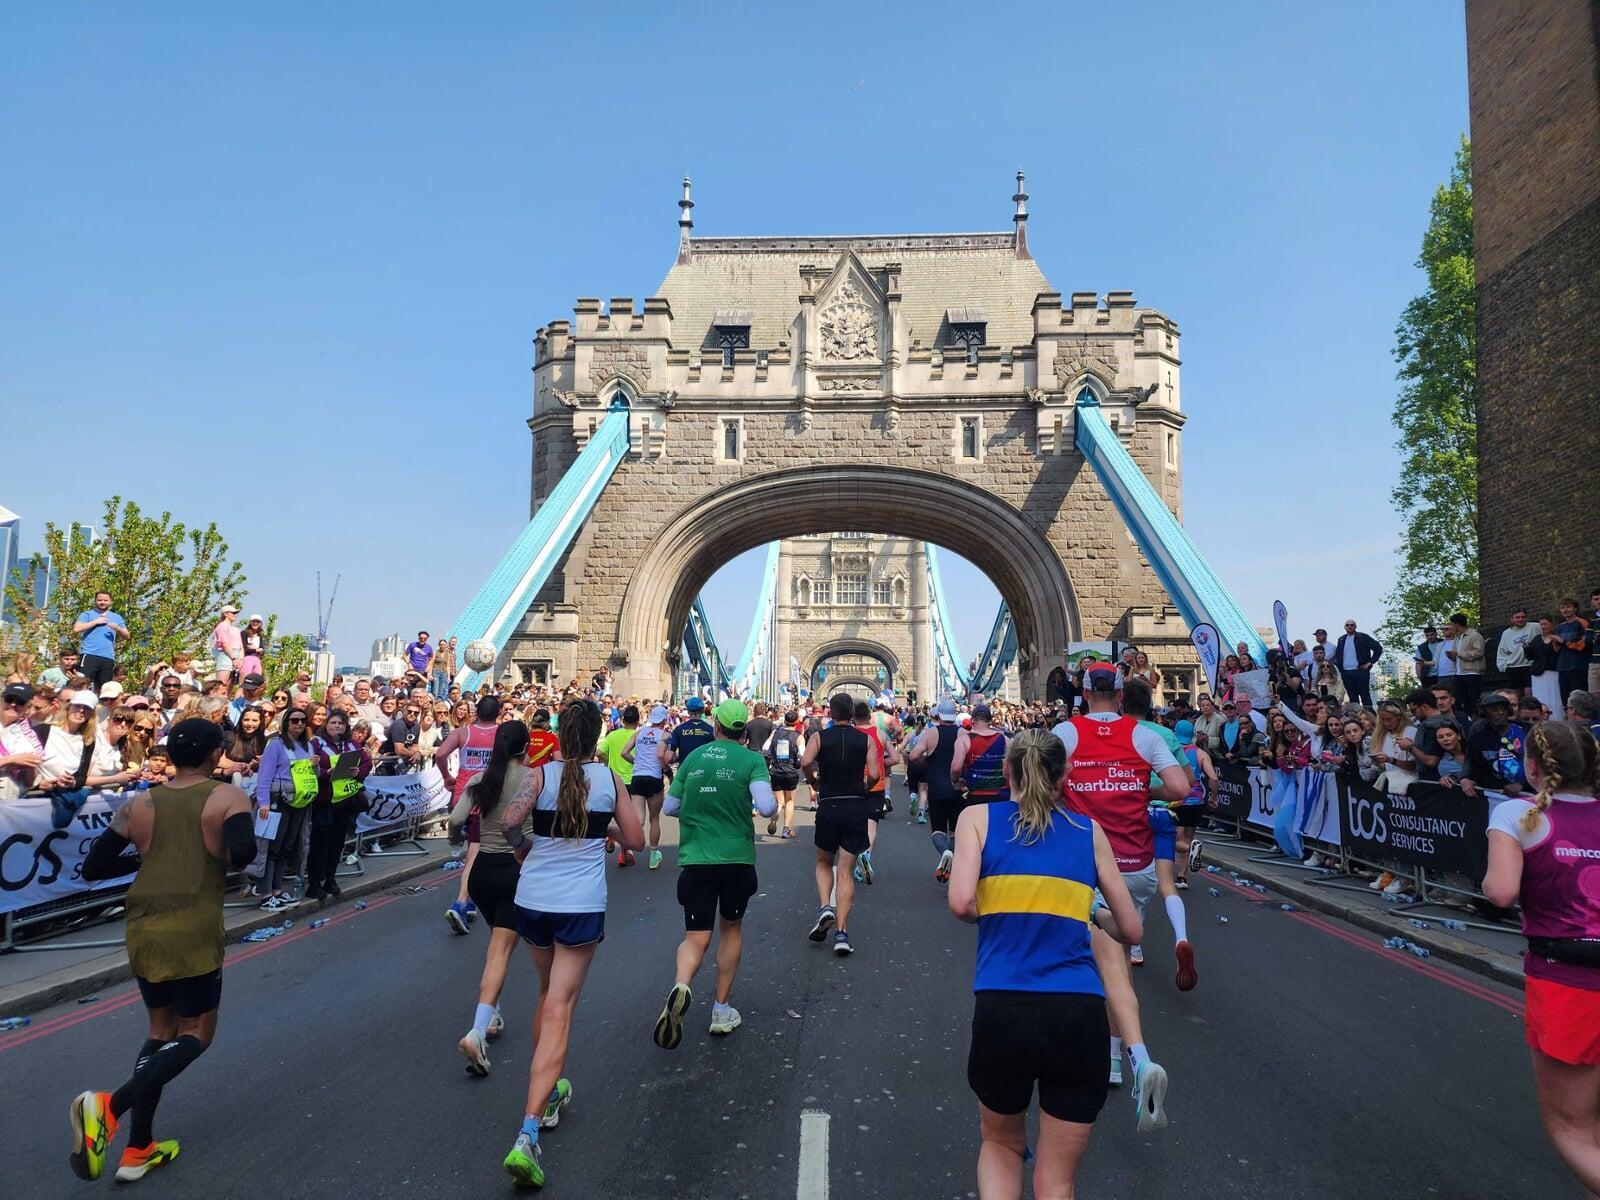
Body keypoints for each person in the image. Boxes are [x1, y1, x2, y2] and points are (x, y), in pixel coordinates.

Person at [948, 728, 1144, 1200]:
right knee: (1056, 1181)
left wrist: (995, 908)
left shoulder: (977, 818)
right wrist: (1090, 911)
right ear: (1065, 776)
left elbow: (960, 903)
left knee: (1000, 1143)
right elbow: (1131, 931)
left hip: (1003, 1006)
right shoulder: (1088, 831)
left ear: (1009, 771)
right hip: (1077, 1014)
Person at [69, 719, 254, 1183]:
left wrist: (152, 855)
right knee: (196, 1035)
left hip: (144, 924)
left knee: (160, 1030)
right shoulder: (227, 796)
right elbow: (246, 852)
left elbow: (94, 867)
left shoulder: (140, 803)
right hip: (193, 926)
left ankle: (138, 1148)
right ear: (215, 754)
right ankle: (110, 1107)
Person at [495, 699, 645, 1188]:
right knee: (561, 1006)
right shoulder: (609, 781)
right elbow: (639, 841)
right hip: (580, 905)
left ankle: (552, 1086)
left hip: (532, 901)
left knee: (545, 995)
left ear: (560, 735)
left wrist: (525, 853)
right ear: (599, 737)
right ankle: (527, 1134)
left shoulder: (538, 777)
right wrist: (605, 835)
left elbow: (509, 824)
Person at [1051, 661, 1187, 1124]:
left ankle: (1137, 1058)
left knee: (1097, 968)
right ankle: (1113, 1056)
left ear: (1085, 691)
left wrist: (1076, 791)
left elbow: (1042, 786)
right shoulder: (1146, 735)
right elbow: (1180, 787)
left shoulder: (1066, 734)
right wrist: (1134, 791)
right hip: (1138, 866)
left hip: (1087, 866)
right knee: (1117, 961)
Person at [1482, 720, 1600, 1195]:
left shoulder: (1517, 813)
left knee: (1572, 1124)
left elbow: (1501, 891)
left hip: (1569, 980)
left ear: (1531, 766)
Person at [653, 699, 776, 1048]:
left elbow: (672, 806)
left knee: (696, 936)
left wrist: (698, 811)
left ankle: (681, 984)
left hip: (696, 858)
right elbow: (766, 806)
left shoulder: (694, 757)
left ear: (716, 726)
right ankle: (721, 1010)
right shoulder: (752, 760)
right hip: (737, 859)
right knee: (731, 928)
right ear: (743, 731)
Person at [452, 721, 534, 1076]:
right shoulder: (534, 779)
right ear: (525, 746)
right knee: (501, 950)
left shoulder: (480, 781)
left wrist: (457, 841)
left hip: (481, 872)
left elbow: (455, 820)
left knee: (495, 945)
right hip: (516, 869)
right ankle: (477, 1030)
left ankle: (494, 1012)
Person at [799, 692, 880, 956]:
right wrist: (864, 788)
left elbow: (805, 762)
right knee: (845, 871)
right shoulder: (866, 739)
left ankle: (825, 906)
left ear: (831, 713)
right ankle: (842, 933)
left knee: (824, 862)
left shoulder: (819, 737)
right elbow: (876, 774)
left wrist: (814, 782)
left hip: (829, 804)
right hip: (855, 805)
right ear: (853, 714)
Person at [434, 694, 503, 931]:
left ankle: (471, 901)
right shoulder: (502, 734)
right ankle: (461, 902)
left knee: (476, 848)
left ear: (476, 714)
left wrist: (447, 777)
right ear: (498, 713)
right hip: (487, 798)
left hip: (463, 794)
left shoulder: (463, 733)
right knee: (475, 851)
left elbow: (441, 754)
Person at [255, 704, 319, 910]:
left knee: (286, 848)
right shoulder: (275, 745)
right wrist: (263, 802)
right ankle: (266, 894)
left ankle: (277, 890)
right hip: (277, 802)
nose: (299, 724)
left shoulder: (308, 746)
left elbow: (312, 777)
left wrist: (315, 765)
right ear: (285, 724)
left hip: (299, 803)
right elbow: (264, 776)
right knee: (271, 849)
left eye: (303, 720)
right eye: (294, 720)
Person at [306, 709, 371, 902]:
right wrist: (327, 772)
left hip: (345, 801)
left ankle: (331, 879)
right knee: (320, 842)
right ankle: (315, 883)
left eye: (341, 723)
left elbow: (366, 763)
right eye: (333, 723)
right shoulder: (316, 744)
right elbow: (310, 767)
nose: (337, 726)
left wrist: (358, 771)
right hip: (323, 800)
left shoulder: (352, 744)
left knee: (337, 842)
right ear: (326, 725)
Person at [910, 698, 963, 881]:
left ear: (938, 715)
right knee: (956, 831)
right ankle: (953, 854)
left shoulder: (931, 734)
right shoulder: (964, 733)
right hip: (959, 789)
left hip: (937, 788)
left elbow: (914, 756)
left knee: (938, 831)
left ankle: (945, 852)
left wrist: (927, 761)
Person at [852, 698, 898, 884]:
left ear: (854, 716)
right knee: (871, 824)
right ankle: (867, 855)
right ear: (869, 716)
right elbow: (895, 759)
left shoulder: (851, 734)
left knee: (855, 823)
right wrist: (880, 764)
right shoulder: (879, 734)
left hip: (854, 784)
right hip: (876, 784)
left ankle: (856, 855)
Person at [622, 705, 670, 870]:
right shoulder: (665, 735)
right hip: (654, 777)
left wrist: (637, 762)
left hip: (637, 777)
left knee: (638, 819)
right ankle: (653, 854)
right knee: (654, 818)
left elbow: (624, 753)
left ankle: (625, 846)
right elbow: (664, 757)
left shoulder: (639, 732)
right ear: (664, 720)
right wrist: (667, 771)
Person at [74, 591, 130, 692]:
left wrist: (118, 628)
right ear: (95, 601)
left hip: (108, 657)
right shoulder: (87, 614)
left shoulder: (117, 617)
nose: (102, 602)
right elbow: (77, 629)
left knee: (104, 688)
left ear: (110, 602)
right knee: (82, 683)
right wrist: (96, 622)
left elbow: (127, 636)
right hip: (90, 654)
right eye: (99, 600)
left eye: (105, 600)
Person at [764, 711, 804, 838]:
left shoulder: (775, 733)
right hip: (791, 770)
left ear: (785, 721)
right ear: (797, 722)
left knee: (779, 800)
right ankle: (786, 830)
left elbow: (765, 748)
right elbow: (802, 754)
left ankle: (776, 811)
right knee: (790, 800)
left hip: (776, 770)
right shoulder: (798, 737)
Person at [1331, 619, 1382, 707]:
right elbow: (1339, 655)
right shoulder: (1341, 639)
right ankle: (1355, 716)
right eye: (1347, 625)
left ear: (1355, 626)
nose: (1349, 627)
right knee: (1352, 696)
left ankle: (1369, 715)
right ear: (1344, 627)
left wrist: (1370, 662)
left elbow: (1378, 648)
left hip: (1360, 671)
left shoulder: (1363, 637)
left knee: (1365, 695)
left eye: (1352, 625)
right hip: (1346, 672)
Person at [1555, 599, 1594, 707]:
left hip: (1578, 665)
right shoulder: (1560, 627)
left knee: (1579, 697)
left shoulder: (1582, 623)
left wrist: (1564, 642)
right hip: (1563, 666)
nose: (1565, 610)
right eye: (1562, 608)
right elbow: (1556, 648)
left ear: (1575, 608)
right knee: (1565, 698)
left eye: (1568, 607)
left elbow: (1584, 644)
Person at [663, 695, 715, 773]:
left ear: (688, 711)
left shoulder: (679, 730)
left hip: (685, 773)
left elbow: (668, 758)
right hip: (704, 773)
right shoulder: (711, 730)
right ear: (702, 711)